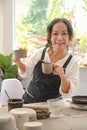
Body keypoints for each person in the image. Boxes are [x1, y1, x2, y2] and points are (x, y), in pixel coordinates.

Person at [12, 18, 79, 104]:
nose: (59, 37)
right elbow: (26, 72)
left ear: (69, 37)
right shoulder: (41, 53)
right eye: (55, 33)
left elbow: (67, 90)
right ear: (50, 37)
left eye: (64, 33)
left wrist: (62, 75)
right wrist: (18, 62)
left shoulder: (72, 62)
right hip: (29, 101)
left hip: (53, 106)